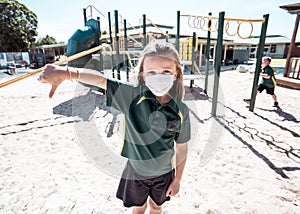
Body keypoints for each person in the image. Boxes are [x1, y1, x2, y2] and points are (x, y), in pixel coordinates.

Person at [38, 40, 191, 214]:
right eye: (152, 72)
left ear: (176, 73)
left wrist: (177, 179)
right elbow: (101, 80)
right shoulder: (131, 96)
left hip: (164, 175)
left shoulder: (181, 110)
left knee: (156, 207)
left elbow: (181, 148)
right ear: (143, 74)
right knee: (139, 208)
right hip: (136, 173)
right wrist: (66, 73)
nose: (159, 77)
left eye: (166, 71)